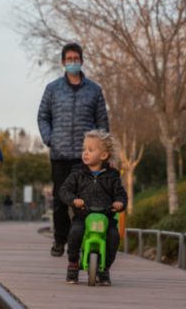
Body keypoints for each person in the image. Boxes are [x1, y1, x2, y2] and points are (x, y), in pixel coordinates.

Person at [37, 42, 109, 257]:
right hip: (59, 155)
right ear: (62, 62)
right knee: (61, 200)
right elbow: (43, 117)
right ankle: (60, 240)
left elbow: (102, 123)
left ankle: (80, 241)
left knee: (85, 200)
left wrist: (103, 153)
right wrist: (50, 139)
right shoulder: (52, 89)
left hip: (85, 157)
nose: (72, 63)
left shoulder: (95, 90)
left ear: (82, 61)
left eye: (76, 59)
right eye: (68, 60)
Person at [59, 130, 127, 285]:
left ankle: (105, 268)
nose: (85, 153)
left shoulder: (112, 177)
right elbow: (64, 190)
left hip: (106, 216)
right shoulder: (77, 174)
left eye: (90, 150)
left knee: (113, 237)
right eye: (84, 149)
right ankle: (73, 264)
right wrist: (74, 200)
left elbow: (121, 195)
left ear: (103, 155)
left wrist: (120, 203)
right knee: (75, 232)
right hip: (83, 215)